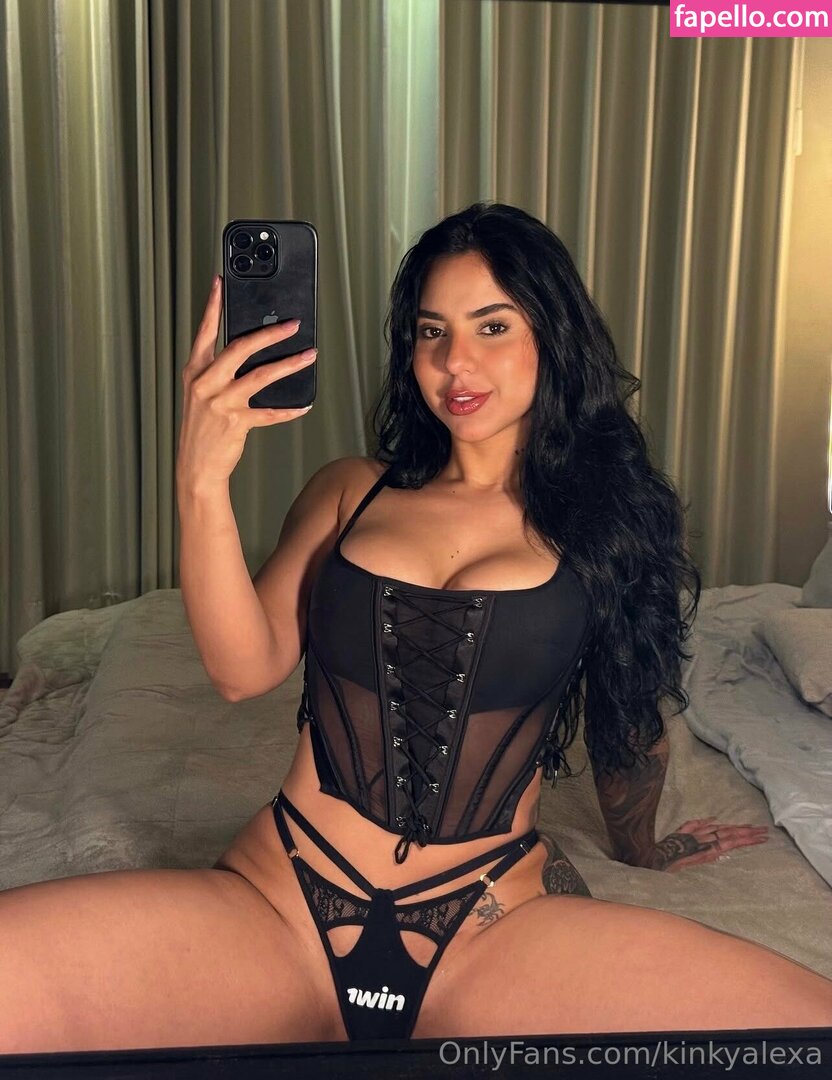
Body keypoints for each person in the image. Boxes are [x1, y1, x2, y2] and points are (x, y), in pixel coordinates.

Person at [2, 202, 831, 1054]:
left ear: (553, 337)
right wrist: (201, 482)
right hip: (283, 900)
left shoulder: (605, 528)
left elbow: (628, 712)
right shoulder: (350, 490)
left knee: (808, 1031)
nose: (454, 361)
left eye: (492, 326)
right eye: (431, 331)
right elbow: (241, 670)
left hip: (488, 924)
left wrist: (642, 848)